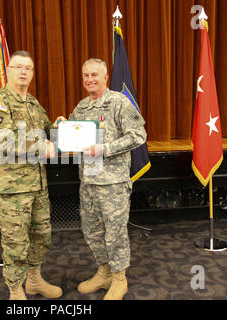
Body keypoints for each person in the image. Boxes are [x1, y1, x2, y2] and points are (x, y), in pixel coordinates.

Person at [0, 50, 62, 300]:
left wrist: (57, 128)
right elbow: (2, 141)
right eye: (19, 67)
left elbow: (45, 130)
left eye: (28, 68)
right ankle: (15, 291)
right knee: (16, 244)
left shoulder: (34, 104)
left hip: (38, 185)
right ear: (9, 70)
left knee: (41, 236)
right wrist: (40, 146)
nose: (24, 71)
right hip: (12, 189)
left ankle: (34, 281)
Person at [68, 58, 147, 300]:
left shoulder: (119, 102)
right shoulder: (81, 107)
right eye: (85, 75)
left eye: (94, 75)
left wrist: (106, 148)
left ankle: (119, 278)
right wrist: (62, 126)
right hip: (89, 182)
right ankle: (104, 272)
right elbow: (71, 134)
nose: (89, 79)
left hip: (113, 183)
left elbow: (139, 135)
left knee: (115, 233)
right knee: (92, 231)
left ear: (104, 77)